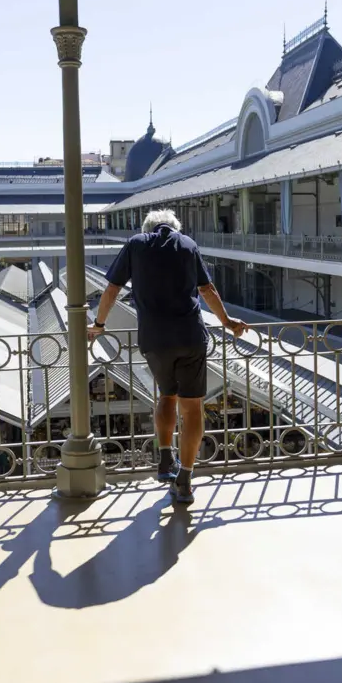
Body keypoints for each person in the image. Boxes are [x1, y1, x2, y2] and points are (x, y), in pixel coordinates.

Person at [89, 209, 246, 504]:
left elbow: (112, 288)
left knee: (166, 396)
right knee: (192, 408)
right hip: (189, 336)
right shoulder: (188, 244)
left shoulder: (136, 243)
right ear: (175, 228)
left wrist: (99, 325)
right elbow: (207, 288)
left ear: (148, 227)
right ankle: (184, 480)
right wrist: (227, 322)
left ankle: (165, 461)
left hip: (154, 339)